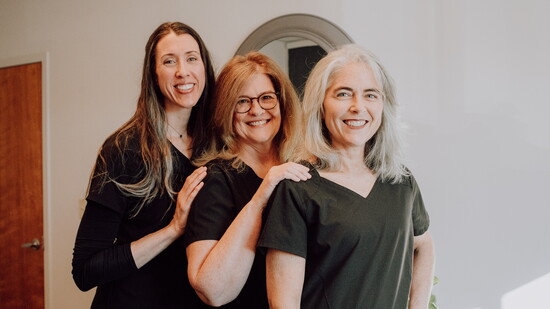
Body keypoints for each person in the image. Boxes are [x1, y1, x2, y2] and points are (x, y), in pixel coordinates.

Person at [258, 44, 435, 309]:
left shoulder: (400, 181)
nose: (358, 106)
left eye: (370, 95)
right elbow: (284, 302)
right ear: (321, 104)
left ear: (383, 105)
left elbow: (424, 246)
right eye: (343, 94)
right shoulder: (298, 189)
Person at [72, 22, 215, 308]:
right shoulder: (124, 149)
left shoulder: (214, 144)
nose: (182, 72)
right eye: (169, 61)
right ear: (153, 73)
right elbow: (85, 271)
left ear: (204, 66)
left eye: (191, 58)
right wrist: (173, 229)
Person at [183, 51, 311, 308]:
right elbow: (212, 291)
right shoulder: (215, 179)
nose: (256, 110)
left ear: (281, 102)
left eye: (266, 98)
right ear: (227, 111)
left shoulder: (303, 169)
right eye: (242, 102)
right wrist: (261, 196)